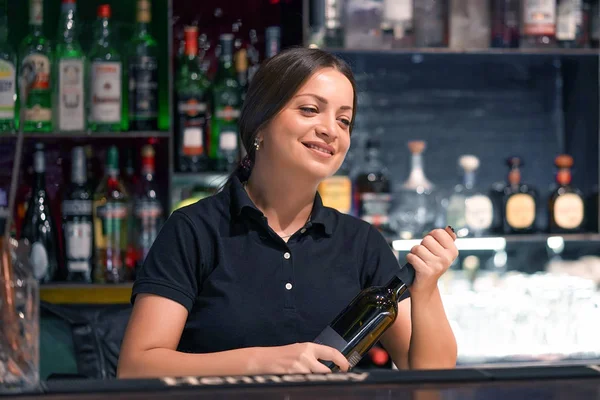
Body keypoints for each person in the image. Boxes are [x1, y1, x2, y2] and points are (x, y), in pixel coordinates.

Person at [117, 47, 458, 379]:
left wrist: (426, 289)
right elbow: (136, 367)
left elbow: (431, 378)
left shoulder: (362, 243)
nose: (330, 129)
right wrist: (263, 363)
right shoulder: (194, 230)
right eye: (310, 109)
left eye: (344, 120)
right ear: (260, 123)